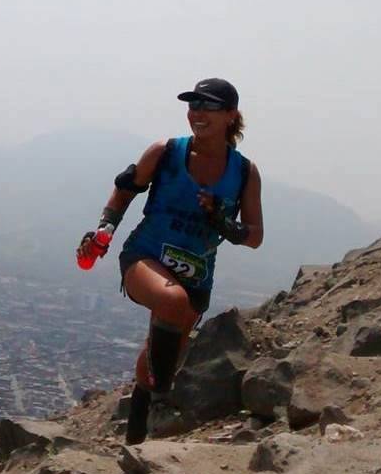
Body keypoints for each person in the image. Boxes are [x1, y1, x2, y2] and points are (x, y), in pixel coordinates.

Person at [77, 78, 263, 445]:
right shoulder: (166, 152)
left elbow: (254, 235)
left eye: (208, 106)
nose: (197, 113)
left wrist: (223, 222)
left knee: (158, 362)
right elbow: (126, 188)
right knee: (171, 301)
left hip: (196, 278)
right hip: (144, 257)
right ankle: (163, 403)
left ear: (230, 116)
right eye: (193, 105)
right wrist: (103, 231)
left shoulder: (243, 173)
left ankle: (134, 443)